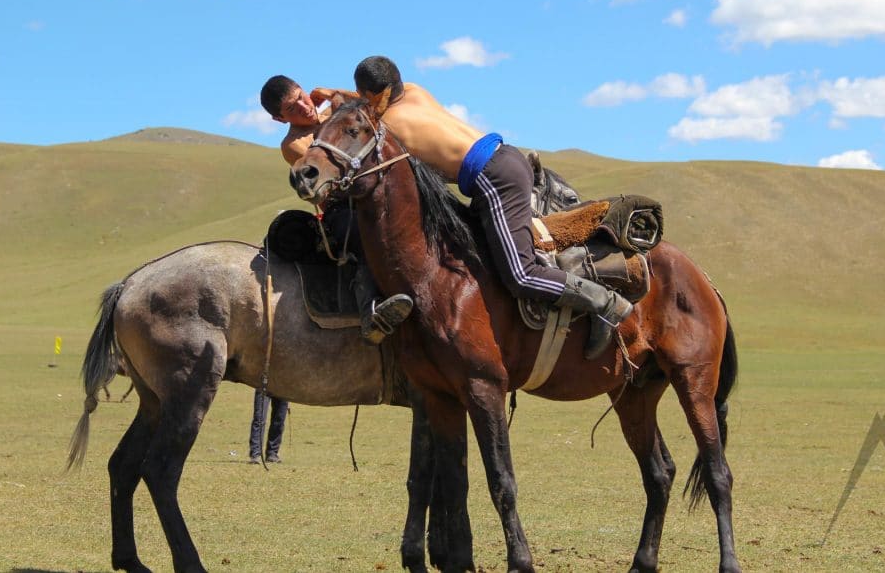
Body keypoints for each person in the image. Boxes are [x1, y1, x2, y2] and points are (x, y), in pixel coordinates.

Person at [317, 56, 631, 360]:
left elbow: (362, 115)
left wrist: (335, 106)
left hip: (493, 178)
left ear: (371, 97)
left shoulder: (389, 126)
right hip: (504, 158)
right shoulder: (414, 91)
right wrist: (334, 93)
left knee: (521, 275)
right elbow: (368, 101)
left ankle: (604, 303)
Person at [260, 75, 413, 345]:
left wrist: (333, 94)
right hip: (340, 207)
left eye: (301, 97)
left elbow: (372, 105)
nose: (304, 107)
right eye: (292, 109)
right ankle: (371, 313)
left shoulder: (335, 111)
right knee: (361, 234)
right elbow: (331, 172)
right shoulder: (294, 145)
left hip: (372, 192)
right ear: (280, 119)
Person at [249, 389, 288, 464]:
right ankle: (255, 454)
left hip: (283, 386)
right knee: (259, 419)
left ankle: (272, 453)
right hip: (264, 384)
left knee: (279, 420)